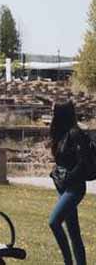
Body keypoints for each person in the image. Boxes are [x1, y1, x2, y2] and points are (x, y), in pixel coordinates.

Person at [49, 100, 88, 265]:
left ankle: (68, 262)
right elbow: (63, 161)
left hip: (74, 188)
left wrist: (69, 177)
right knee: (74, 233)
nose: (51, 114)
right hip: (63, 187)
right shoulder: (61, 133)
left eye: (53, 111)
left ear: (61, 113)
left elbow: (84, 162)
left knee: (54, 222)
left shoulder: (75, 133)